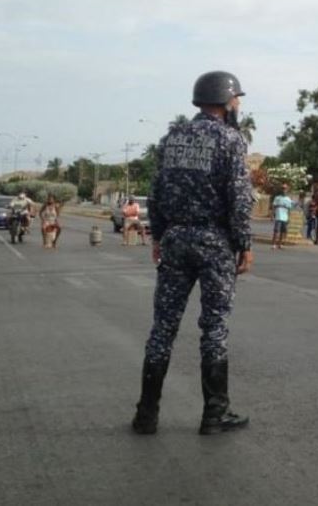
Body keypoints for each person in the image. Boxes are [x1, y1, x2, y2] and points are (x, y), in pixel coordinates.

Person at [132, 70, 254, 436]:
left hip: (175, 240)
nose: (238, 105)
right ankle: (214, 415)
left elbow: (156, 192)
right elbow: (239, 198)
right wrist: (244, 244)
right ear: (225, 100)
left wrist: (158, 235)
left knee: (163, 327)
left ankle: (146, 415)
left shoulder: (172, 138)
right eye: (237, 99)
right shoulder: (231, 140)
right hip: (214, 243)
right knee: (214, 327)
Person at [271, 183, 293, 250]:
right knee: (276, 230)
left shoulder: (288, 199)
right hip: (278, 216)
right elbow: (274, 207)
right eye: (283, 188)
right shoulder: (277, 198)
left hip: (285, 217)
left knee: (283, 231)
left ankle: (280, 244)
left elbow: (289, 209)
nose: (284, 190)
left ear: (287, 190)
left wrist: (289, 217)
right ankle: (274, 244)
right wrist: (272, 215)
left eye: (285, 188)